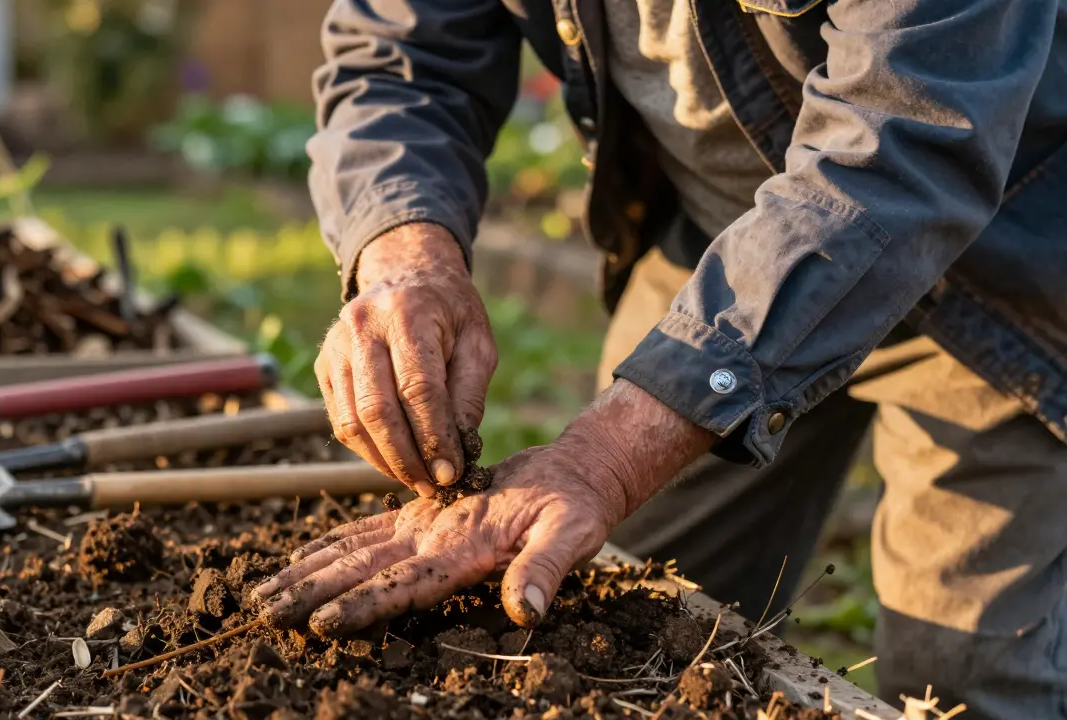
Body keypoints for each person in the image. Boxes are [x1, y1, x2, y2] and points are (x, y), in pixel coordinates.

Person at [252, 1, 1067, 716]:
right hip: (718, 257)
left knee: (964, 676)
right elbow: (401, 52)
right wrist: (406, 255)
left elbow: (906, 143)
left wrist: (601, 461)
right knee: (623, 618)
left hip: (997, 281)